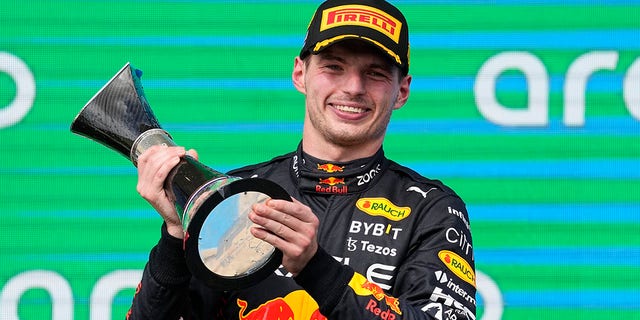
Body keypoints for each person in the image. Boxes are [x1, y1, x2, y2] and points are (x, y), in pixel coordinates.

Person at [127, 0, 476, 319]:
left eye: (375, 73)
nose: (353, 87)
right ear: (300, 74)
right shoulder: (235, 197)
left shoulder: (432, 209)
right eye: (334, 67)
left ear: (401, 90)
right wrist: (176, 236)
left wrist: (315, 267)